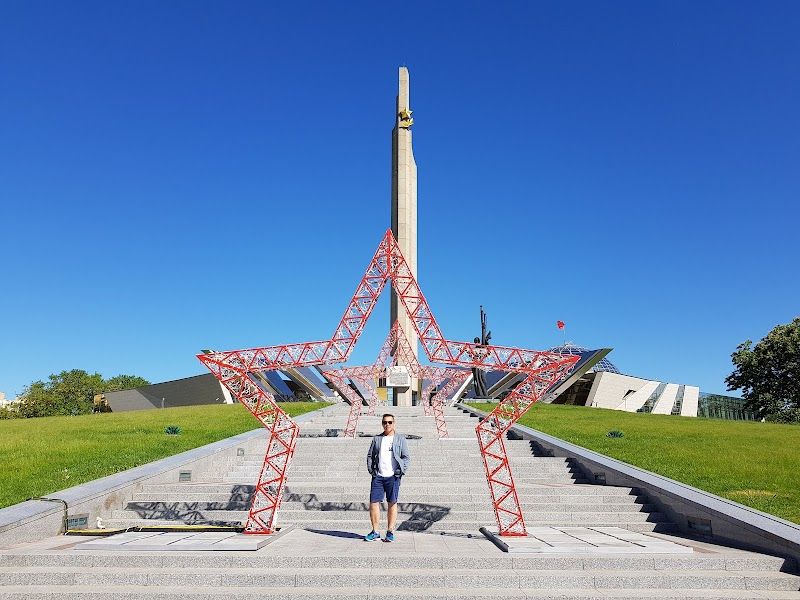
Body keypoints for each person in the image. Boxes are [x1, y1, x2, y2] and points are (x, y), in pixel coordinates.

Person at [364, 413, 410, 542]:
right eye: (385, 422)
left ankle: (390, 531)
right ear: (382, 423)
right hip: (378, 476)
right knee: (374, 503)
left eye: (390, 422)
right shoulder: (377, 439)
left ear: (394, 423)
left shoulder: (400, 439)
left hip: (393, 476)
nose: (387, 424)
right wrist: (371, 470)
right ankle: (375, 531)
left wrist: (401, 471)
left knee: (392, 503)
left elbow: (406, 457)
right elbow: (370, 455)